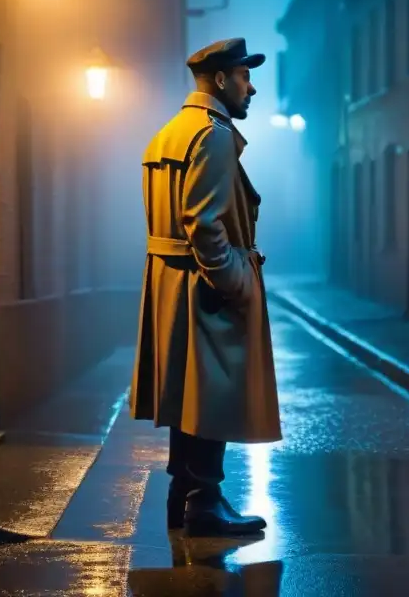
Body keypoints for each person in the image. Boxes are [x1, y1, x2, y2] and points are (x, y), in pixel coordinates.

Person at [130, 38, 282, 537]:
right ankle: (204, 501)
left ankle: (186, 496)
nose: (251, 86)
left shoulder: (170, 132)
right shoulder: (212, 134)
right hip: (205, 284)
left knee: (189, 393)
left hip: (175, 282)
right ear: (221, 80)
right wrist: (235, 283)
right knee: (214, 392)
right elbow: (204, 223)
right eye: (244, 75)